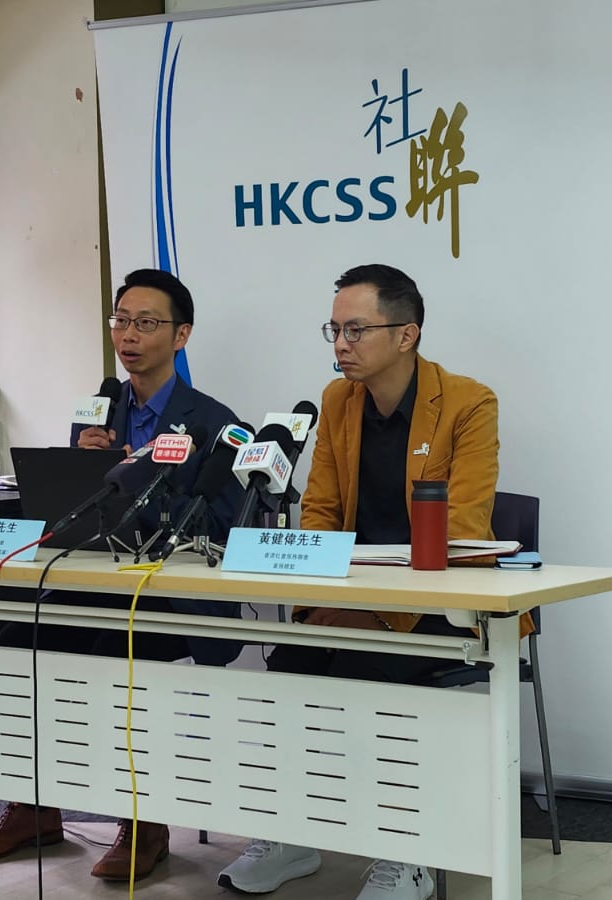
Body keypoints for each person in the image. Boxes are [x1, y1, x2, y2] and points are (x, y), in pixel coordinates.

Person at [216, 264, 514, 900]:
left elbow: (462, 529)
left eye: (356, 330)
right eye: (334, 330)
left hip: (443, 605)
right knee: (287, 667)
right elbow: (321, 514)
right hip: (353, 599)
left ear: (406, 335)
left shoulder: (470, 403)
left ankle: (410, 853)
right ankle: (291, 835)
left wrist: (380, 615)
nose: (341, 344)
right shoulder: (337, 401)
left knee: (372, 672)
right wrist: (326, 604)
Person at [0, 268, 244, 882]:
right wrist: (83, 470)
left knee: (116, 657)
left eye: (146, 323)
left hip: (171, 597)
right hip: (97, 586)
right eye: (121, 321)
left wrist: (148, 487)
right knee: (14, 645)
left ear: (181, 335)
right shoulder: (99, 411)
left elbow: (225, 526)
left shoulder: (214, 422)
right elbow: (72, 514)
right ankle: (32, 810)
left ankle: (144, 824)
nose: (128, 335)